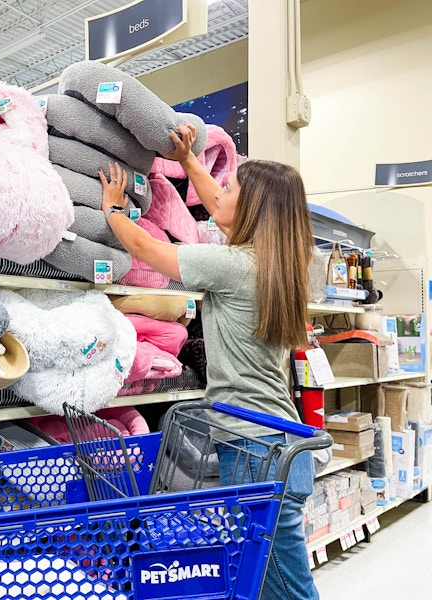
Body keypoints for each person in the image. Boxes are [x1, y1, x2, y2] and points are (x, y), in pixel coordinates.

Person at [100, 124, 319, 600]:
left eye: (230, 187)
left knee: (285, 585)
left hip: (257, 450)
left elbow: (146, 250)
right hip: (275, 444)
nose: (220, 193)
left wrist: (115, 210)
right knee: (266, 578)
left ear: (252, 210)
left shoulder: (234, 266)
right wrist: (189, 160)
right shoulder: (279, 261)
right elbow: (222, 212)